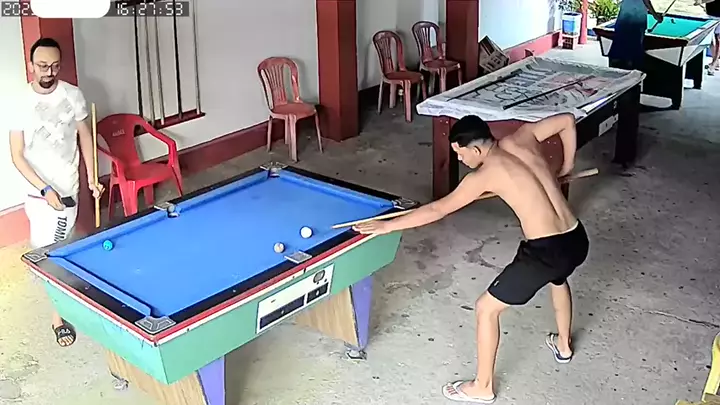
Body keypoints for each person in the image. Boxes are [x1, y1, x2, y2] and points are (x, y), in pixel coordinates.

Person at [354, 114, 590, 403]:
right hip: (576, 238)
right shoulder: (524, 136)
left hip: (546, 252)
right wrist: (566, 167)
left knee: (485, 309)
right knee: (558, 277)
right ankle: (563, 345)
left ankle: (483, 387)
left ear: (476, 149)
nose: (460, 159)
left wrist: (387, 226)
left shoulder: (484, 175)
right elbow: (567, 120)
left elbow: (437, 210)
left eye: (460, 153)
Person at [8, 37, 104, 347]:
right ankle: (59, 307)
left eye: (54, 66)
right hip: (38, 193)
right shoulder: (19, 102)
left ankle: (60, 309)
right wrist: (44, 188)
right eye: (42, 66)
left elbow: (85, 137)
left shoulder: (72, 95)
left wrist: (93, 178)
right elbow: (16, 155)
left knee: (60, 248)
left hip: (68, 188)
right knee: (48, 253)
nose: (48, 72)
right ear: (31, 66)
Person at [608, 0, 664, 71]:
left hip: (625, 11)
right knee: (634, 44)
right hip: (637, 14)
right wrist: (655, 16)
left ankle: (616, 65)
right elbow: (646, 1)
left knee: (619, 40)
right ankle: (631, 66)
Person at [696, 0, 720, 75]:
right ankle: (715, 61)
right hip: (710, 14)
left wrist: (701, 1)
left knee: (717, 39)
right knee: (711, 39)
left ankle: (713, 65)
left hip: (718, 15)